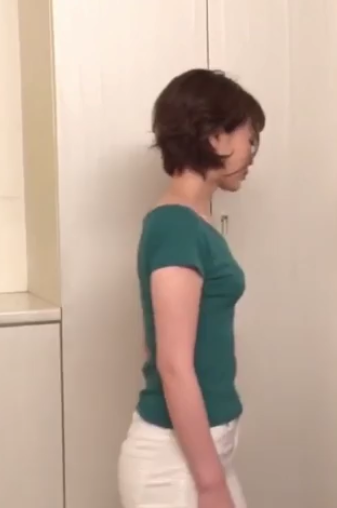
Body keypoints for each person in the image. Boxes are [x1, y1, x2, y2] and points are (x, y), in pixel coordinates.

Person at [117, 68, 265, 508]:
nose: (253, 154)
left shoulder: (192, 223)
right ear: (216, 137)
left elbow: (156, 342)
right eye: (250, 138)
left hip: (198, 453)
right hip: (173, 465)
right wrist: (210, 484)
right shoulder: (176, 226)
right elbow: (173, 364)